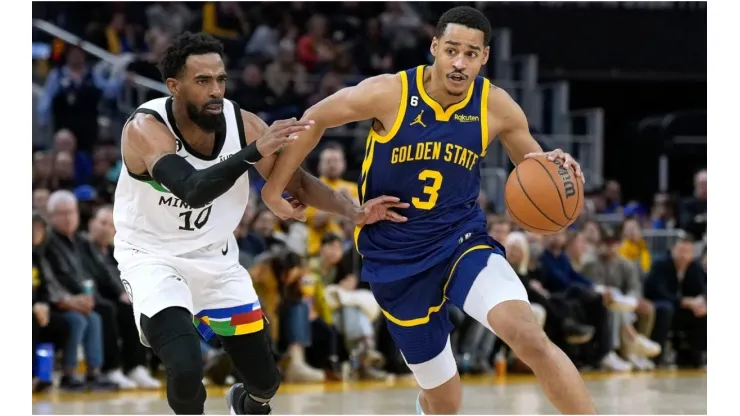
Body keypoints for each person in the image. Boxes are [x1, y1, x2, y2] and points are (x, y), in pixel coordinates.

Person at [260, 6, 596, 414]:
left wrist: (554, 164)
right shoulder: (390, 92)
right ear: (435, 46)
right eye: (452, 49)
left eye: (471, 53)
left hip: (461, 240)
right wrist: (273, 189)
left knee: (530, 338)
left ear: (484, 57)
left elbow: (535, 170)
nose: (459, 62)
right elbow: (314, 119)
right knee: (444, 402)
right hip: (394, 257)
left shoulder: (496, 106)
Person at [112, 32, 407, 415]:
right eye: (202, 81)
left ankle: (245, 404)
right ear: (174, 86)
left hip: (217, 260)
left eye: (221, 79)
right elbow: (191, 189)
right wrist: (254, 153)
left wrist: (353, 211)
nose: (216, 90)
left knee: (265, 383)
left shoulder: (243, 125)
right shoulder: (145, 128)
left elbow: (296, 181)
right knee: (185, 369)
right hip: (153, 258)